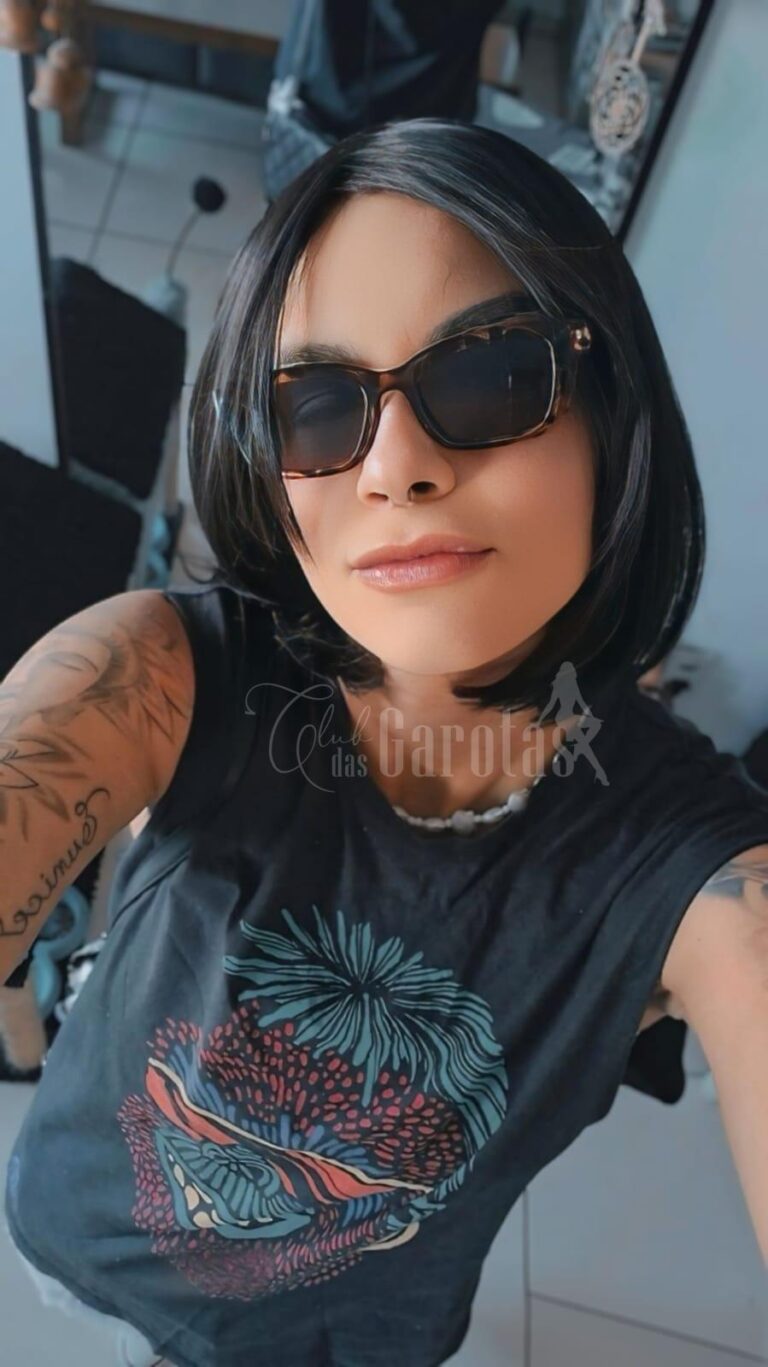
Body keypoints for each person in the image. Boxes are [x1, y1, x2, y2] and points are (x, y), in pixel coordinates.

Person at [3, 117, 768, 1367]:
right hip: (77, 1233)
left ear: (610, 406)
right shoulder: (161, 671)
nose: (396, 465)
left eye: (492, 375)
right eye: (313, 409)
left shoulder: (700, 878)